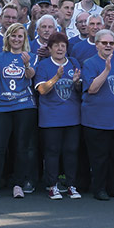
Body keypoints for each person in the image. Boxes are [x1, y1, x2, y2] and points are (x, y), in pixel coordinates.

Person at [0, 23, 38, 200]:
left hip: (24, 106)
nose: (16, 39)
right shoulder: (1, 56)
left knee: (21, 147)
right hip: (3, 106)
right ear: (8, 37)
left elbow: (30, 75)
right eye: (13, 36)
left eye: (20, 36)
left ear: (24, 39)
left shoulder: (31, 56)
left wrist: (27, 63)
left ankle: (18, 184)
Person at [82, 29, 114, 200]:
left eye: (111, 43)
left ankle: (113, 187)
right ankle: (99, 188)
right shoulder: (90, 63)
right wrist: (106, 70)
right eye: (104, 43)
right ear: (97, 45)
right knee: (99, 158)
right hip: (96, 120)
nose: (108, 46)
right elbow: (92, 88)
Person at [33, 33, 83, 200]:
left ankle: (71, 185)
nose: (60, 48)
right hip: (51, 118)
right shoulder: (44, 65)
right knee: (52, 151)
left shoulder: (74, 63)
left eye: (63, 45)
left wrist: (76, 82)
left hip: (72, 117)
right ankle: (52, 185)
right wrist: (56, 77)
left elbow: (79, 90)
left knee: (71, 151)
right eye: (56, 45)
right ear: (50, 49)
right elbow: (41, 90)